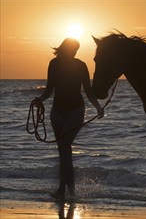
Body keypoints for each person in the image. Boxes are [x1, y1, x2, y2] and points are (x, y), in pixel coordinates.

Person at [37, 38, 104, 200]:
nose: (75, 52)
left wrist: (97, 106)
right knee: (64, 151)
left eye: (76, 50)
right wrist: (40, 100)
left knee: (65, 146)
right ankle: (71, 191)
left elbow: (87, 89)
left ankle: (62, 190)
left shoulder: (81, 65)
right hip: (57, 111)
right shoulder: (54, 64)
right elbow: (48, 89)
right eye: (73, 49)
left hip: (76, 110)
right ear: (66, 49)